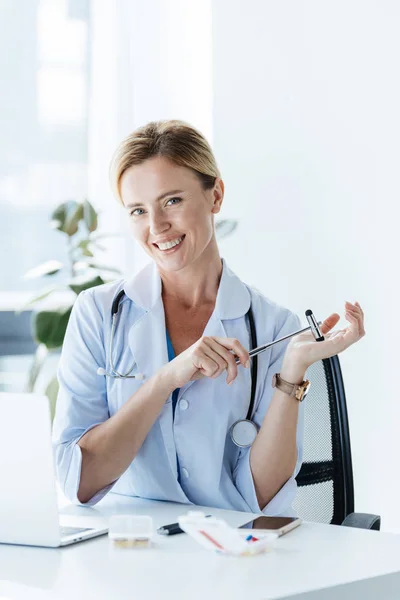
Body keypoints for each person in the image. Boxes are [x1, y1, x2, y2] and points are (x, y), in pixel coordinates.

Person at [52, 120, 365, 515]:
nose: (156, 226)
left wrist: (292, 371)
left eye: (172, 201)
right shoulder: (98, 313)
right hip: (127, 550)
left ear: (215, 195)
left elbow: (261, 496)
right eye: (137, 210)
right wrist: (167, 378)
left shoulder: (274, 327)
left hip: (230, 555)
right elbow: (76, 481)